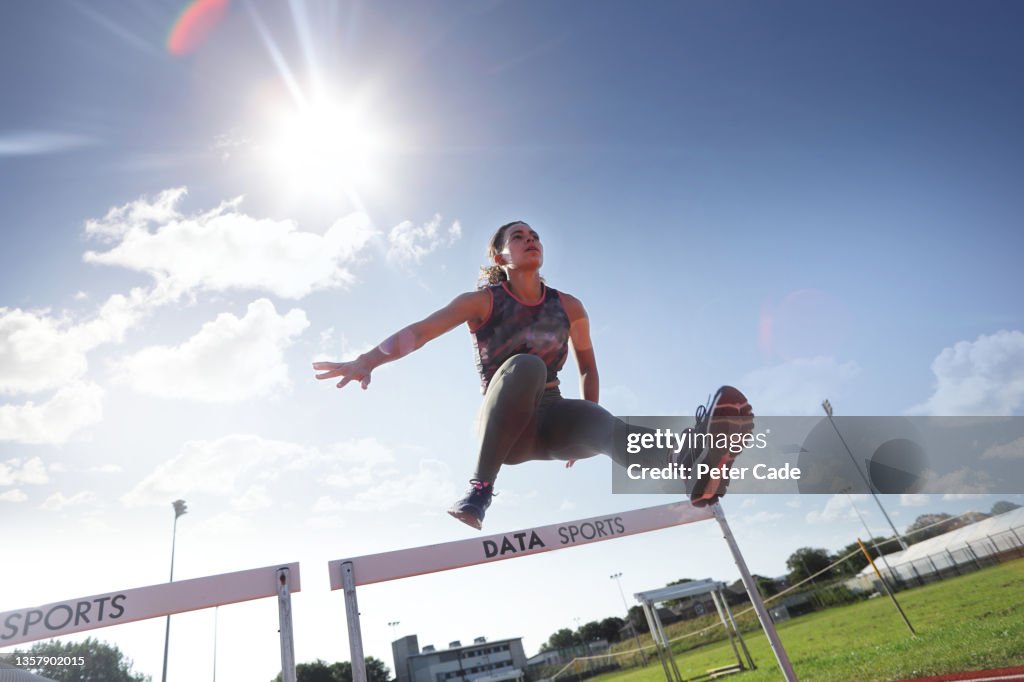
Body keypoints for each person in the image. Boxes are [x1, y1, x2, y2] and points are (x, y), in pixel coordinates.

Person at [313, 221, 753, 529]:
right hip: (507, 426)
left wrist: (587, 426)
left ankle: (695, 470)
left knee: (607, 428)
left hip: (554, 419)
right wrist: (366, 360)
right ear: (500, 255)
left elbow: (588, 366)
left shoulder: (569, 306)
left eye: (535, 236)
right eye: (518, 237)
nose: (530, 240)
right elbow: (420, 332)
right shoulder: (481, 301)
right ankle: (479, 490)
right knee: (528, 364)